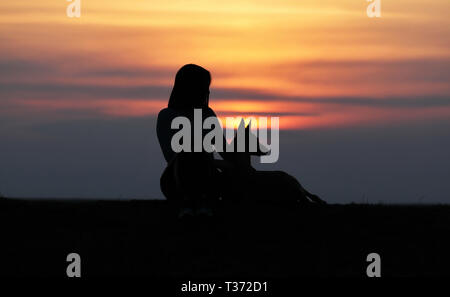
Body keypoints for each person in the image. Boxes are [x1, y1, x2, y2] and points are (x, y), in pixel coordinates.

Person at [157, 64, 326, 216]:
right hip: (178, 179)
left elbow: (225, 153)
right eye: (202, 87)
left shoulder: (207, 115)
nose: (207, 93)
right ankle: (192, 205)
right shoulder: (168, 116)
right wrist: (209, 162)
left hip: (208, 178)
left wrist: (241, 145)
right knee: (192, 151)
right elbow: (174, 156)